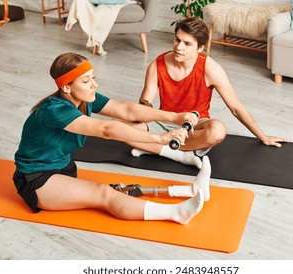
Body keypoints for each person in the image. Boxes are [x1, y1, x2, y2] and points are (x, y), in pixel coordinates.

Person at [13, 52, 212, 225]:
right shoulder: (54, 110)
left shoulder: (84, 99)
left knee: (118, 189)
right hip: (37, 180)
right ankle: (176, 213)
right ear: (66, 87)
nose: (94, 85)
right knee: (104, 193)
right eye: (86, 81)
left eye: (93, 78)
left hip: (63, 168)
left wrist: (175, 117)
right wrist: (158, 138)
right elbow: (106, 129)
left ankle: (188, 190)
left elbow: (126, 110)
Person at [127, 17, 288, 169]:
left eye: (187, 43)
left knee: (218, 130)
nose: (179, 47)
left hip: (195, 126)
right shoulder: (157, 65)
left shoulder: (211, 69)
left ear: (200, 48)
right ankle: (179, 154)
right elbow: (145, 107)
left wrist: (263, 137)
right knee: (118, 126)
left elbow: (235, 107)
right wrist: (137, 124)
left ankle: (153, 147)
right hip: (165, 122)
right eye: (177, 39)